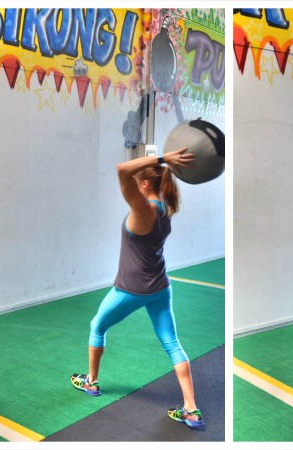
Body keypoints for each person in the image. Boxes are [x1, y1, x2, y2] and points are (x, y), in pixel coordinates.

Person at [71, 147, 205, 429]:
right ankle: (191, 410)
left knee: (97, 326)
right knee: (173, 345)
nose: (132, 183)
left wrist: (162, 158)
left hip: (131, 290)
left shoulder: (143, 210)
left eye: (137, 181)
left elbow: (122, 169)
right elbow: (129, 173)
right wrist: (161, 162)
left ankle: (92, 382)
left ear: (145, 183)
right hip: (160, 288)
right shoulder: (166, 208)